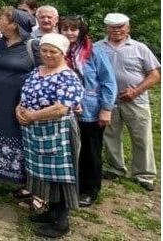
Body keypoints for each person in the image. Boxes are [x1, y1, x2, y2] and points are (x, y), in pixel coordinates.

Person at [16, 33, 84, 238]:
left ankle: (61, 222)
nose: (47, 55)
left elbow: (62, 108)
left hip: (58, 131)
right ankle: (51, 212)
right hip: (36, 131)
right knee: (45, 175)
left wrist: (32, 115)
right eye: (44, 51)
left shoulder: (68, 76)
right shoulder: (38, 71)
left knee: (61, 176)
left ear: (62, 53)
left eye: (52, 52)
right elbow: (25, 94)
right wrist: (18, 110)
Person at [96, 13, 160, 191]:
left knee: (141, 137)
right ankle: (115, 168)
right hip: (109, 102)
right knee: (110, 136)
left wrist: (136, 91)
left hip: (136, 100)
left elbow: (155, 75)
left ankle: (144, 174)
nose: (117, 30)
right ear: (106, 28)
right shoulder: (98, 47)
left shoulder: (140, 48)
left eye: (121, 26)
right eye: (113, 27)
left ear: (128, 28)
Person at [60, 15, 117, 207]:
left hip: (90, 109)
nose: (69, 33)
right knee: (71, 149)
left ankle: (90, 189)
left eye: (73, 29)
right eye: (65, 29)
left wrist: (106, 109)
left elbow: (108, 81)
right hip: (65, 109)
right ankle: (74, 185)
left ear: (81, 30)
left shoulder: (94, 51)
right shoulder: (60, 51)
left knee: (90, 150)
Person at [0, 7, 39, 199]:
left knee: (23, 136)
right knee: (3, 132)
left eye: (3, 20)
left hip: (23, 102)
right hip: (1, 98)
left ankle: (29, 182)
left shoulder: (32, 46)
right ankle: (5, 174)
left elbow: (44, 72)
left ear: (14, 25)